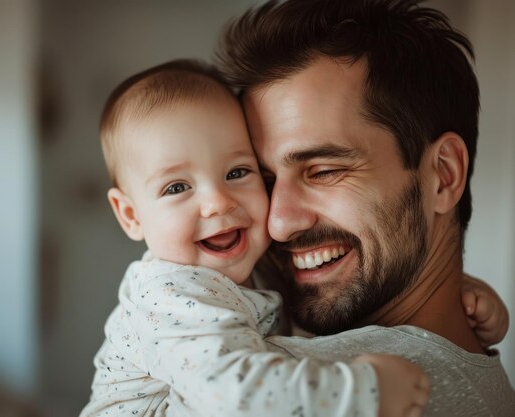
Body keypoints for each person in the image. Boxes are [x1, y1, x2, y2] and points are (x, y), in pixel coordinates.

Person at [79, 60, 432, 417]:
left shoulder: (249, 266)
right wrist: (362, 392)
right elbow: (234, 394)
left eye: (237, 172)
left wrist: (462, 290)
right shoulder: (169, 294)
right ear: (131, 215)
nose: (217, 202)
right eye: (177, 187)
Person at [214, 0, 515, 415]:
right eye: (264, 181)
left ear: (443, 175)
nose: (279, 223)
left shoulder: (341, 395)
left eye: (322, 171)